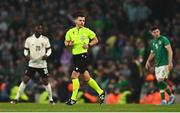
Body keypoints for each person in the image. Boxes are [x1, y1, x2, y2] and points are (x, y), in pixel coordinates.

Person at [64, 11, 105, 105]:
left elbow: (96, 40)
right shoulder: (70, 32)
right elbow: (66, 43)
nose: (82, 22)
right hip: (75, 56)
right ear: (75, 21)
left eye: (83, 20)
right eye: (80, 20)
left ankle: (73, 99)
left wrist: (89, 44)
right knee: (86, 78)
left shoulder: (87, 31)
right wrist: (70, 44)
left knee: (74, 76)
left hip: (83, 56)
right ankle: (101, 92)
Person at [10, 24, 55, 105]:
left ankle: (51, 100)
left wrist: (47, 55)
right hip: (32, 64)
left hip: (42, 64)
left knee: (46, 81)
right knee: (25, 80)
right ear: (34, 29)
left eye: (41, 29)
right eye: (38, 28)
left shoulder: (45, 39)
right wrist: (26, 55)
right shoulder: (29, 39)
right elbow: (25, 50)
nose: (40, 30)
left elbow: (49, 50)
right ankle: (16, 99)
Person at [145, 26, 175, 105]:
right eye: (154, 32)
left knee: (160, 80)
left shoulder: (164, 39)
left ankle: (171, 96)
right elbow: (153, 53)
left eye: (157, 31)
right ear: (152, 33)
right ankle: (164, 100)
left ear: (159, 31)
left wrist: (170, 62)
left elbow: (170, 51)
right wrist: (148, 60)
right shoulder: (153, 42)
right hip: (157, 65)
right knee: (160, 83)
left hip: (164, 63)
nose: (156, 33)